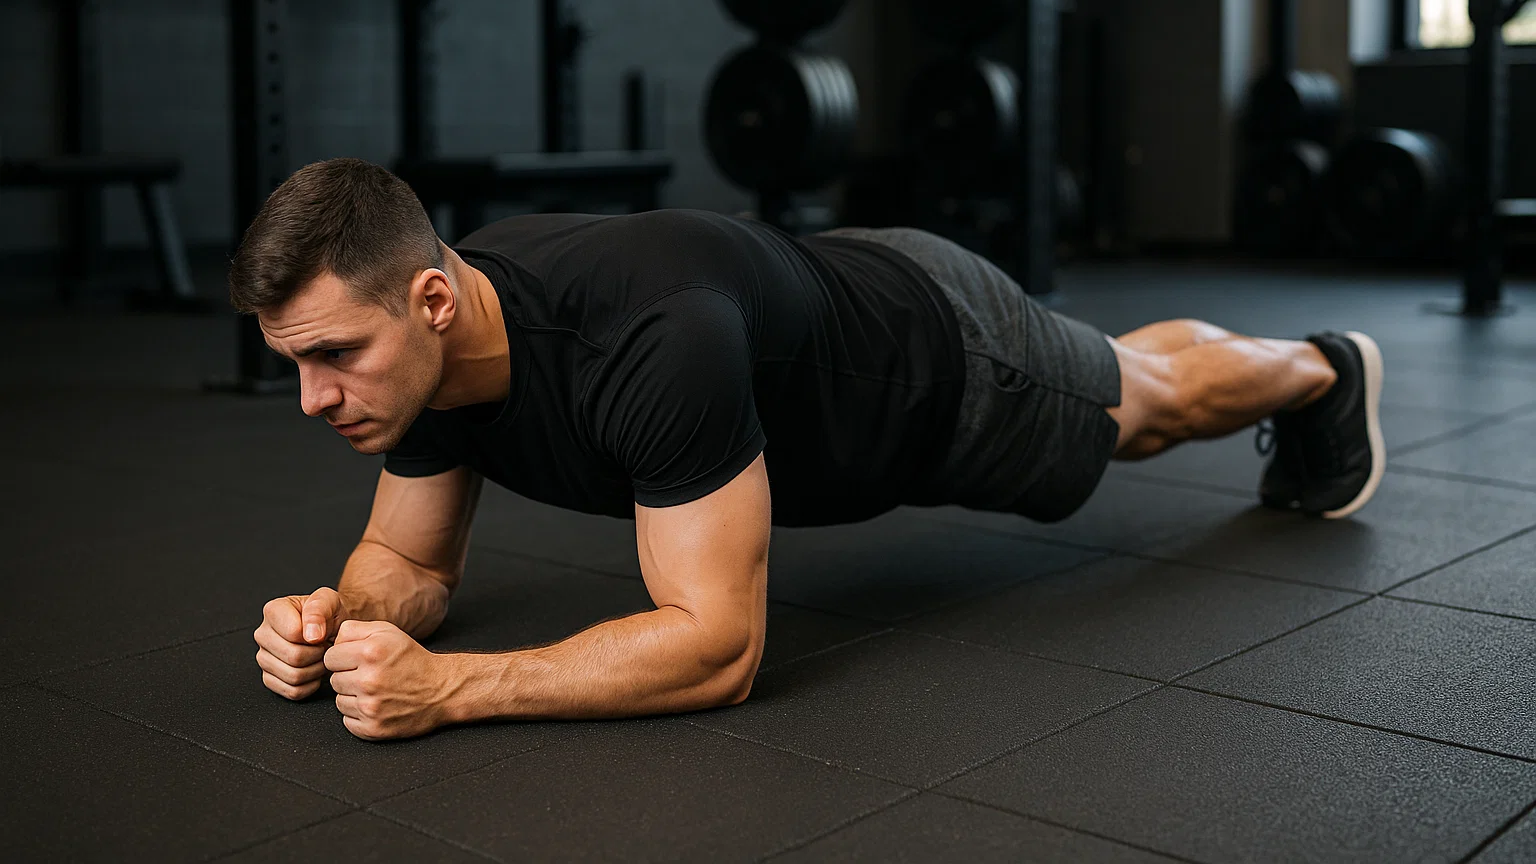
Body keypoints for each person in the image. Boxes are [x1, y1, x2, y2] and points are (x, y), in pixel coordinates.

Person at [243, 158, 1383, 741]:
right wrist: (342, 624)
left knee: (1150, 401)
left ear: (434, 300)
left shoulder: (650, 340)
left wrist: (451, 689)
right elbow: (413, 564)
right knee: (1129, 369)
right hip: (816, 291)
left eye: (334, 353)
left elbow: (719, 650)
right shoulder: (432, 354)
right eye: (295, 362)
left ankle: (1329, 366)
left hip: (941, 359)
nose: (313, 398)